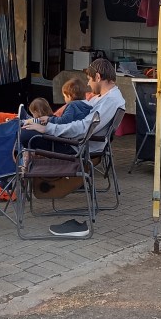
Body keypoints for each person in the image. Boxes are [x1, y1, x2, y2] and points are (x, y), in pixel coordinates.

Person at [21, 58, 126, 238]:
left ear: (98, 77)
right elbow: (84, 116)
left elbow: (83, 127)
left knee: (24, 136)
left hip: (77, 147)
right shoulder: (107, 97)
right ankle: (26, 121)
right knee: (27, 130)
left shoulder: (110, 101)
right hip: (79, 143)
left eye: (90, 79)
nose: (88, 84)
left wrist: (48, 128)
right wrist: (49, 120)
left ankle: (8, 166)